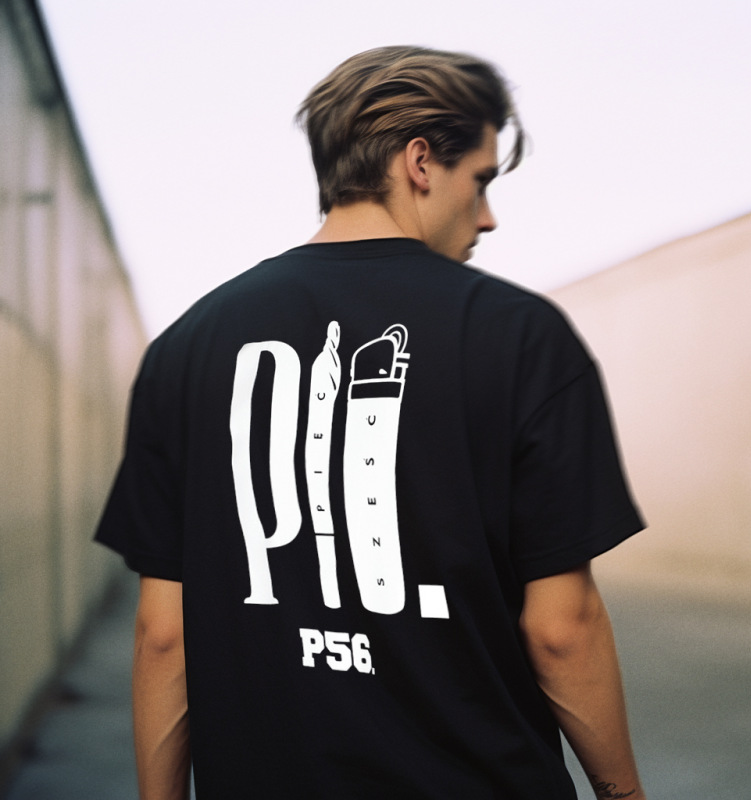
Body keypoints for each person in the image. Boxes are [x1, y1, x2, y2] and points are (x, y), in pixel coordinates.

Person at [96, 45, 647, 800]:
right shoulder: (520, 336)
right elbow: (562, 629)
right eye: (481, 180)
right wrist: (624, 795)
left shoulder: (186, 348)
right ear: (419, 162)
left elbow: (164, 634)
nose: (488, 217)